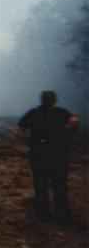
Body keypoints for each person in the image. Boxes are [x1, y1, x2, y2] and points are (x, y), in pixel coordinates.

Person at [18, 90, 79, 224]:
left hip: (39, 154)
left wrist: (28, 139)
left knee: (41, 184)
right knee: (58, 185)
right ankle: (61, 215)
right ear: (54, 100)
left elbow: (21, 125)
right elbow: (74, 122)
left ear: (42, 100)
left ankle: (43, 214)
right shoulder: (62, 112)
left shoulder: (34, 113)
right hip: (58, 154)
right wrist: (69, 127)